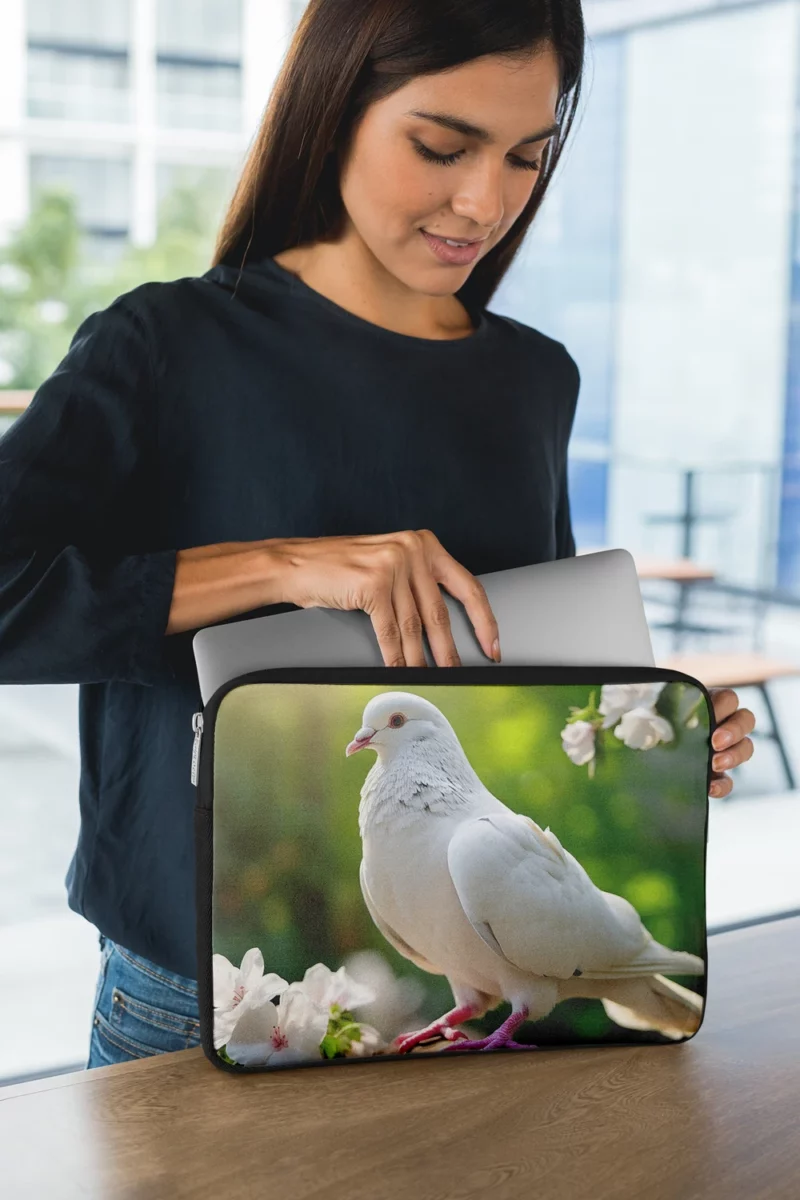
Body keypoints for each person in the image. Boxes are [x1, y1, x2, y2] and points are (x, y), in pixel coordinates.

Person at [0, 0, 755, 1069]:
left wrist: (679, 728)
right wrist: (290, 567)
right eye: (440, 146)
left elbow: (523, 661)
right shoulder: (162, 345)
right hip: (194, 1004)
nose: (482, 201)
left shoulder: (534, 379)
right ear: (333, 107)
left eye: (525, 158)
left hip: (474, 1009)